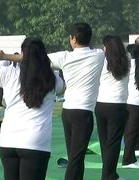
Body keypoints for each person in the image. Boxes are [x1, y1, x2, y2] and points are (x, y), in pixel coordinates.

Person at [0, 37, 64, 180]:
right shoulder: (52, 79)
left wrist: (3, 58)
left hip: (9, 140)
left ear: (22, 54)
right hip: (36, 142)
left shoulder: (9, 73)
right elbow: (61, 87)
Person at [48, 22, 105, 180]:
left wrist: (4, 57)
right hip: (83, 113)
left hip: (68, 112)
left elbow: (33, 58)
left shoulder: (64, 57)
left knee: (75, 156)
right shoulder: (98, 55)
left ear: (72, 39)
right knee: (76, 158)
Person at [95, 35, 129, 180]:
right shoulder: (126, 58)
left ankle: (109, 174)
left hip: (101, 103)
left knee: (105, 142)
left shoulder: (101, 59)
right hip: (118, 105)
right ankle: (108, 175)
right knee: (113, 143)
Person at [122, 44, 139, 168]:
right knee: (132, 132)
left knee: (130, 132)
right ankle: (128, 160)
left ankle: (131, 158)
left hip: (129, 101)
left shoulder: (126, 66)